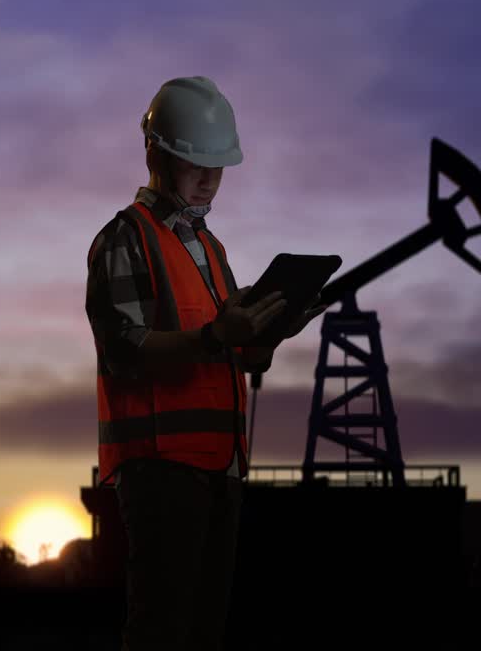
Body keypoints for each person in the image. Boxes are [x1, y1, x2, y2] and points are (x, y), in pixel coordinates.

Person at [84, 76, 327, 650]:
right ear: (155, 153)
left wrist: (269, 334)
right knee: (161, 633)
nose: (209, 178)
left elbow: (233, 354)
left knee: (202, 634)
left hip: (220, 469)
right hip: (160, 470)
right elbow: (125, 352)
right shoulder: (125, 239)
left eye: (218, 166)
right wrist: (218, 336)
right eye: (195, 163)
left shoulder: (210, 249)